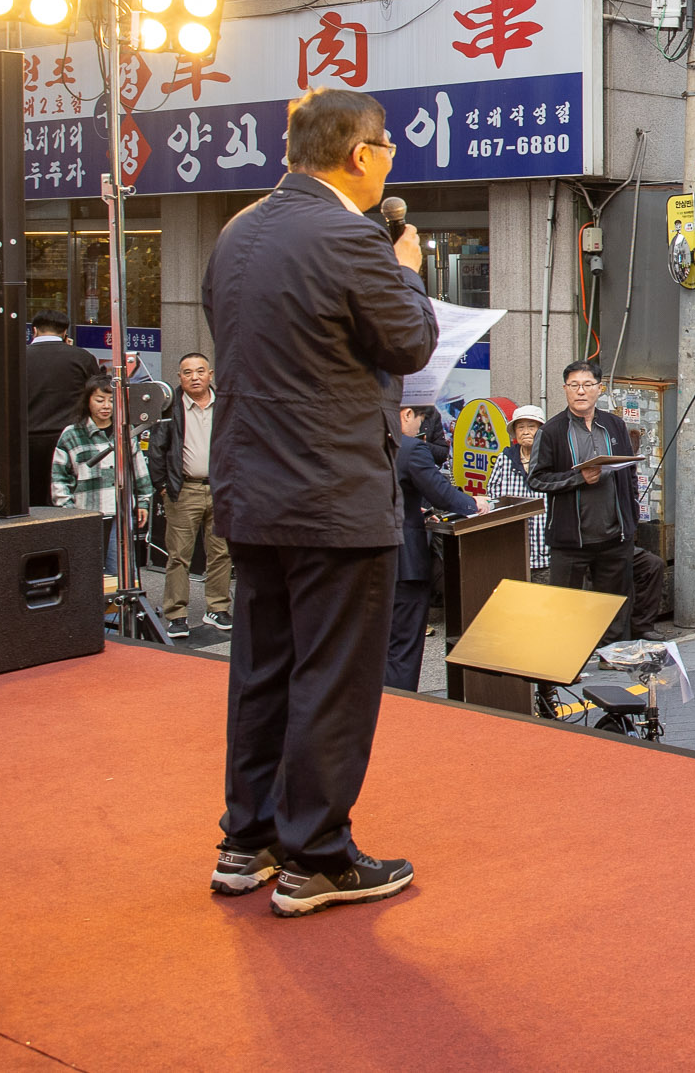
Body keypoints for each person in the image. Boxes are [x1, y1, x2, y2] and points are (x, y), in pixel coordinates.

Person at [202, 90, 440, 915]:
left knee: (263, 668)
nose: (389, 162)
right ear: (357, 155)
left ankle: (250, 838)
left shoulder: (237, 230)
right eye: (385, 148)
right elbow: (409, 341)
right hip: (333, 493)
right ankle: (316, 855)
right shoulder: (351, 236)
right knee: (334, 677)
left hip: (251, 487)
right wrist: (407, 273)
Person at [526, 360, 642, 639]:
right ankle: (565, 662)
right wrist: (578, 478)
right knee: (565, 607)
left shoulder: (615, 425)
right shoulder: (551, 431)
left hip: (615, 535)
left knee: (614, 606)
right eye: (574, 385)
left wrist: (632, 517)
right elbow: (537, 478)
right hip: (570, 539)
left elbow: (629, 474)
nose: (581, 391)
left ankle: (612, 655)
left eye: (588, 385)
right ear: (565, 389)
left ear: (599, 389)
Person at [389, 404, 484, 690]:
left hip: (366, 557)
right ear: (406, 414)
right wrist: (473, 504)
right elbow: (441, 493)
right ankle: (400, 710)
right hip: (404, 561)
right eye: (419, 420)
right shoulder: (409, 448)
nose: (420, 429)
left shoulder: (360, 442)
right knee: (403, 646)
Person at [51, 375, 154, 575]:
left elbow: (140, 471)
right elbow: (59, 478)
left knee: (122, 573)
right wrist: (68, 512)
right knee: (87, 573)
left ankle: (120, 608)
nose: (106, 406)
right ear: (88, 401)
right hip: (85, 514)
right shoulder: (71, 434)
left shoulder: (126, 431)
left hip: (119, 513)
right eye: (100, 400)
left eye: (112, 400)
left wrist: (143, 502)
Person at [158, 352, 230, 638]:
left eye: (200, 371)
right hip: (183, 488)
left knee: (221, 552)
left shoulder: (224, 405)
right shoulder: (170, 407)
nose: (194, 377)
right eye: (187, 372)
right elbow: (157, 449)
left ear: (210, 374)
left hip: (220, 488)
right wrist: (162, 484)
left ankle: (217, 607)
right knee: (178, 556)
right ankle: (176, 614)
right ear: (179, 377)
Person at [25, 311, 104, 509]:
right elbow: (98, 393)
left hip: (26, 440)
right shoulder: (81, 357)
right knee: (67, 500)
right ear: (65, 332)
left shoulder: (15, 357)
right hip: (70, 438)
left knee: (30, 504)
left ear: (34, 330)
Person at [487, 404, 547, 575]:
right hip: (514, 545)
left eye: (531, 426)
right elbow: (493, 493)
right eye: (520, 427)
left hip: (545, 547)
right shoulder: (505, 458)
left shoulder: (551, 457)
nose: (525, 432)